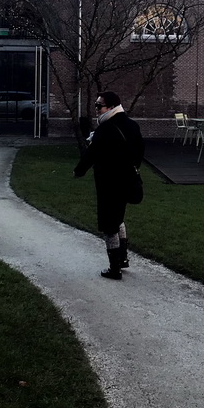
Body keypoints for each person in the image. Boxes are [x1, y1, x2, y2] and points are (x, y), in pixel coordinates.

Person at [73, 91, 144, 280]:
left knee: (109, 224)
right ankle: (123, 259)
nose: (96, 109)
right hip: (127, 181)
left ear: (110, 107)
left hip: (108, 183)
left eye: (99, 106)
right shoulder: (132, 125)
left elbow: (91, 155)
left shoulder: (105, 129)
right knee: (118, 217)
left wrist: (78, 171)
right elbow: (140, 152)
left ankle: (115, 269)